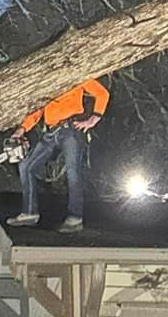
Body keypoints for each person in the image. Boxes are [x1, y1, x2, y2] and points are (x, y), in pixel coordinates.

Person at [7, 78, 109, 233]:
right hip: (50, 131)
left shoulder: (76, 76)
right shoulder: (45, 83)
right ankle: (29, 213)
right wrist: (21, 129)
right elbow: (37, 110)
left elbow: (102, 93)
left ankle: (75, 218)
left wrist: (94, 118)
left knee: (73, 172)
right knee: (26, 166)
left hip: (70, 129)